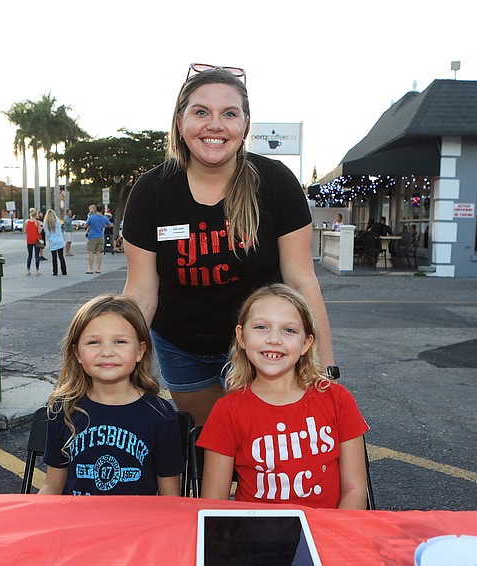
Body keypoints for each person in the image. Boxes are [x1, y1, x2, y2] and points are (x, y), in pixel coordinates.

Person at [122, 63, 337, 425]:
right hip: (180, 345)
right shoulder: (151, 191)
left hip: (261, 344)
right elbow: (141, 293)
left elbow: (302, 282)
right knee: (210, 447)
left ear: (244, 125)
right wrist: (114, 364)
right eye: (201, 112)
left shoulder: (275, 183)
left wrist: (325, 369)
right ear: (180, 123)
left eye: (229, 113)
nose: (215, 125)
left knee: (262, 448)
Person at [197, 284, 369, 509]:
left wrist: (335, 538)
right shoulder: (228, 411)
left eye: (289, 330)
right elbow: (214, 503)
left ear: (306, 343)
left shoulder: (337, 400)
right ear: (241, 336)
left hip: (327, 533)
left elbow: (355, 489)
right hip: (256, 537)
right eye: (261, 327)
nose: (274, 339)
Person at [38, 294, 184, 496]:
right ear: (77, 353)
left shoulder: (160, 414)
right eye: (94, 342)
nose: (107, 351)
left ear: (140, 351)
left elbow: (170, 497)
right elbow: (53, 485)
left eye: (120, 341)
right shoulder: (64, 409)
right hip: (79, 524)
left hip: (137, 526)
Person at [84, 204, 112, 274]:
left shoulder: (91, 218)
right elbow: (110, 225)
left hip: (92, 236)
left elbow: (85, 225)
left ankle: (90, 269)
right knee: (98, 253)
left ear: (96, 209)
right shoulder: (104, 218)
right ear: (102, 210)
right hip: (100, 236)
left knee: (90, 253)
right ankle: (98, 268)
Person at [43, 209, 67, 276]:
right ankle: (64, 271)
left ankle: (55, 271)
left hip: (53, 241)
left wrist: (50, 238)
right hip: (60, 240)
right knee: (61, 257)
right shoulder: (58, 221)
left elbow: (47, 234)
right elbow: (60, 229)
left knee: (54, 257)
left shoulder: (46, 224)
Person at [24, 207, 42, 276]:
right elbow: (39, 231)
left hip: (29, 240)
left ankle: (28, 270)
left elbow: (25, 231)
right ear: (36, 214)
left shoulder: (26, 222)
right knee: (37, 255)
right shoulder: (37, 222)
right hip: (36, 240)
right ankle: (37, 270)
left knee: (29, 255)